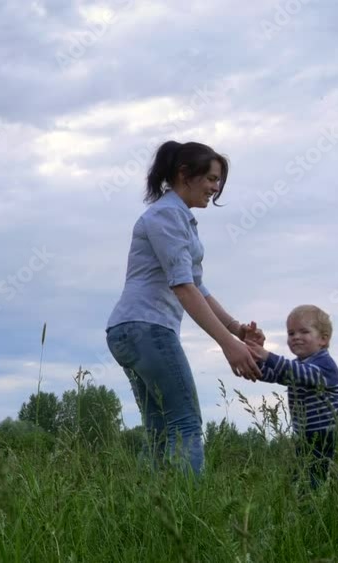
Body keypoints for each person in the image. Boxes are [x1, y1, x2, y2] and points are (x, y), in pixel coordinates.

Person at [105, 140, 264, 477]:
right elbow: (183, 288)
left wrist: (237, 329)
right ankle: (188, 511)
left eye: (218, 180)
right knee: (186, 423)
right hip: (146, 329)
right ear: (184, 175)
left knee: (161, 431)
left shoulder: (178, 218)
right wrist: (228, 345)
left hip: (133, 330)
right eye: (210, 178)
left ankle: (154, 514)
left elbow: (197, 287)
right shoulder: (166, 215)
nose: (215, 187)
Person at [244, 304, 338, 489]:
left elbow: (299, 372)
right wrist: (255, 352)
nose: (296, 337)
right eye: (291, 333)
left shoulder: (324, 365)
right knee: (307, 485)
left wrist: (268, 355)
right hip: (308, 439)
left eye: (304, 332)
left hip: (335, 435)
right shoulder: (297, 365)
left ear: (323, 339)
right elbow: (268, 374)